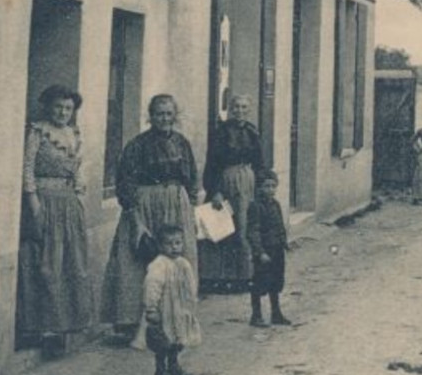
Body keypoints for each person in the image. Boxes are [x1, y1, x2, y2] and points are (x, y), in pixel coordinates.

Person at [101, 94, 203, 347]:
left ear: (175, 116)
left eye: (169, 114)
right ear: (151, 116)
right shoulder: (137, 145)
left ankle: (176, 320)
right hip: (144, 203)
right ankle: (134, 323)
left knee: (177, 258)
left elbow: (192, 178)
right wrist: (135, 218)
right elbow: (125, 183)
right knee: (137, 260)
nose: (164, 119)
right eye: (159, 114)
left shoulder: (182, 143)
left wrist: (189, 209)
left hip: (175, 202)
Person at [17, 85, 93, 357]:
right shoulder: (37, 132)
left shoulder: (73, 134)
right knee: (46, 263)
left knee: (68, 263)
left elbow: (78, 171)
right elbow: (27, 169)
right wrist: (34, 203)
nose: (63, 112)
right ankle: (41, 328)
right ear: (48, 107)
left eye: (68, 108)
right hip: (44, 201)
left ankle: (62, 328)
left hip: (68, 203)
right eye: (58, 107)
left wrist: (79, 194)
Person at [200, 93, 265, 293]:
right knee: (225, 227)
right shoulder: (221, 132)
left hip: (247, 180)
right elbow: (213, 163)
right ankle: (219, 277)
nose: (240, 111)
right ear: (230, 109)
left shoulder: (253, 132)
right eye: (236, 107)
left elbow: (260, 161)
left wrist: (261, 184)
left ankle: (243, 276)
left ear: (249, 110)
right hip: (226, 180)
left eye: (244, 107)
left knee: (244, 227)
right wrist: (216, 190)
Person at [143, 224, 202, 375]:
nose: (174, 247)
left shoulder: (183, 263)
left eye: (177, 243)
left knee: (178, 338)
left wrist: (191, 301)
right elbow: (152, 286)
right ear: (160, 246)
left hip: (181, 308)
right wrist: (151, 308)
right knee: (164, 341)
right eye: (169, 244)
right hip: (165, 310)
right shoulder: (159, 265)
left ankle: (174, 366)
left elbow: (191, 283)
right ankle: (160, 372)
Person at [246, 170, 290, 328]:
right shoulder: (255, 206)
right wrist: (260, 252)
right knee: (259, 282)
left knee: (276, 281)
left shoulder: (276, 204)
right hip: (265, 251)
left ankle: (276, 313)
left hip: (277, 249)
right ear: (259, 188)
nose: (270, 189)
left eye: (273, 186)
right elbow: (253, 231)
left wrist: (284, 242)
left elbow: (280, 225)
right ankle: (256, 315)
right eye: (266, 186)